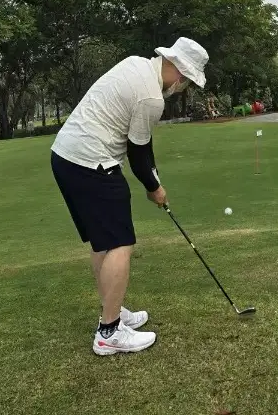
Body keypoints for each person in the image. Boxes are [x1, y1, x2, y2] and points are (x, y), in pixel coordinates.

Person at [50, 37, 209, 356]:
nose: (184, 87)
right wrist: (155, 189)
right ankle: (108, 333)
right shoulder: (152, 98)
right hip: (92, 163)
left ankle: (113, 311)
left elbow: (143, 143)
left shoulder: (135, 64)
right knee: (121, 242)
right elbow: (137, 156)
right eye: (187, 81)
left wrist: (155, 179)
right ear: (178, 72)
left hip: (66, 157)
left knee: (104, 242)